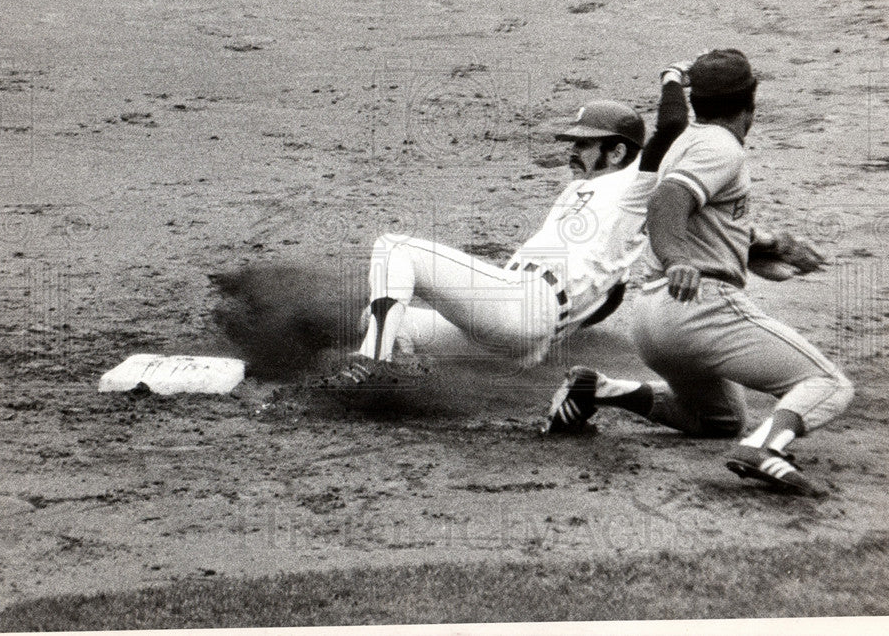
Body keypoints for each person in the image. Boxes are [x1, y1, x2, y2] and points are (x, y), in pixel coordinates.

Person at [544, 49, 854, 498]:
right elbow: (667, 202)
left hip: (652, 319)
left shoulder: (689, 140)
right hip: (697, 307)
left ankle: (601, 390)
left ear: (698, 101)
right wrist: (679, 261)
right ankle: (766, 447)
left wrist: (771, 248)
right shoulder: (720, 147)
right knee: (827, 383)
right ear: (753, 102)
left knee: (719, 420)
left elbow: (699, 218)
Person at [324, 62, 692, 387]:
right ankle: (404, 389)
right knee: (382, 321)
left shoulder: (633, 187)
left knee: (395, 248)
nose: (573, 151)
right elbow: (608, 301)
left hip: (524, 305)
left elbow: (673, 124)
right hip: (511, 333)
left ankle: (371, 366)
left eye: (585, 144)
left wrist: (673, 77)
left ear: (618, 152)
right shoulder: (583, 194)